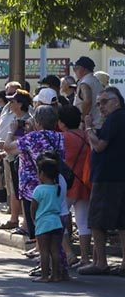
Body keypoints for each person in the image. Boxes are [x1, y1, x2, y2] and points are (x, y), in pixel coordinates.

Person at [79, 86, 125, 275]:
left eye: (105, 102)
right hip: (118, 175)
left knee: (97, 220)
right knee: (122, 221)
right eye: (99, 103)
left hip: (108, 177)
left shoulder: (115, 118)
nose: (101, 107)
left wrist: (88, 127)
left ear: (117, 101)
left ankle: (101, 262)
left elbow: (98, 146)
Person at [5, 105, 64, 242]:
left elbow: (8, 148)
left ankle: (42, 251)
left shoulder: (32, 137)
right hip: (54, 183)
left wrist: (11, 131)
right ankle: (45, 249)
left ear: (38, 122)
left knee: (36, 220)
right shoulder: (59, 137)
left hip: (32, 186)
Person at [57, 105, 92, 267]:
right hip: (84, 183)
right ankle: (85, 258)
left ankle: (69, 254)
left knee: (59, 220)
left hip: (67, 184)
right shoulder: (88, 136)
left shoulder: (63, 138)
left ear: (62, 123)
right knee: (83, 222)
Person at [0, 89, 32, 231]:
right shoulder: (17, 119)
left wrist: (5, 147)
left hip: (22, 162)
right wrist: (5, 152)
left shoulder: (25, 121)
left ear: (20, 104)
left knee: (21, 192)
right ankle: (15, 219)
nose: (9, 104)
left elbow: (20, 144)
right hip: (12, 159)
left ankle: (25, 224)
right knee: (14, 190)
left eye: (13, 101)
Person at [30, 158, 65, 282]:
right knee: (55, 251)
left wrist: (34, 220)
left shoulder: (39, 189)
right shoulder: (57, 188)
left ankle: (44, 276)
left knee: (44, 252)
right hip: (56, 222)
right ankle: (56, 275)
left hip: (43, 223)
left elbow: (33, 207)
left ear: (42, 174)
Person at [72, 56, 104, 129]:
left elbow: (87, 101)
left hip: (90, 126)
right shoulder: (96, 81)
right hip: (99, 123)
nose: (74, 71)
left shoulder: (85, 83)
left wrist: (82, 120)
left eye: (76, 68)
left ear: (83, 69)